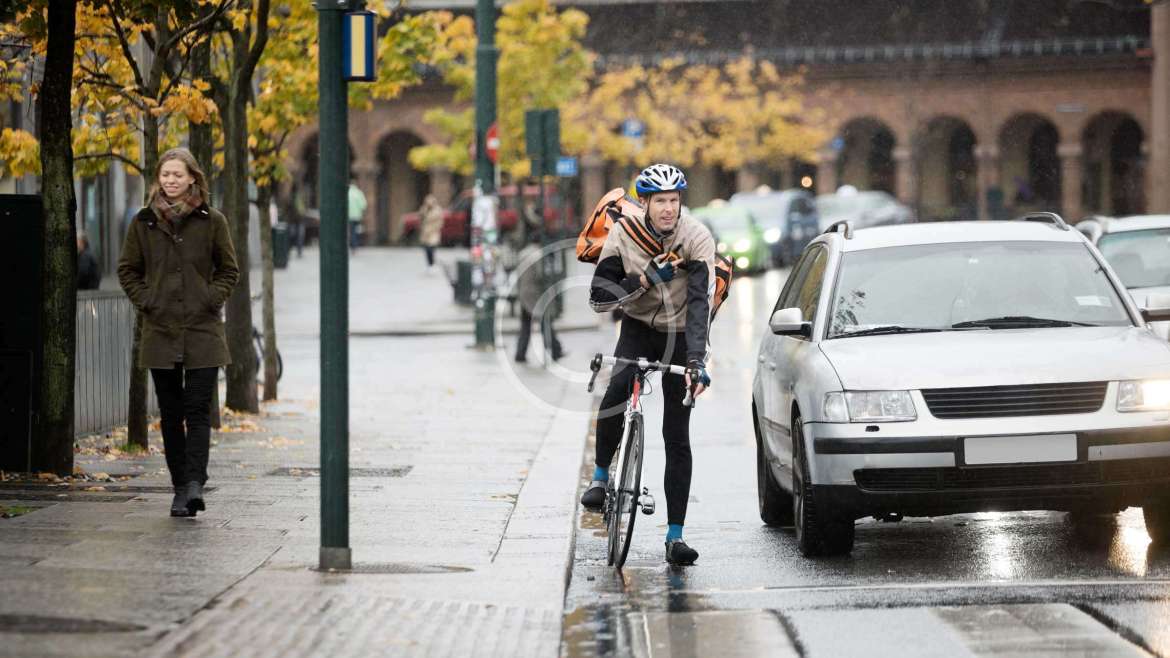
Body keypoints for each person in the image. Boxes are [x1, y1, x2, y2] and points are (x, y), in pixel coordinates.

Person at [581, 163, 714, 566]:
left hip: (679, 336)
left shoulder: (696, 238)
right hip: (637, 327)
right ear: (645, 203)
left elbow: (698, 305)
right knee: (618, 390)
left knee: (677, 433)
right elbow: (599, 298)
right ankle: (601, 478)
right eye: (661, 201)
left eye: (674, 201)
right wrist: (643, 282)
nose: (669, 209)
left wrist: (695, 361)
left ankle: (676, 537)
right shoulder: (624, 233)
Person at [117, 147, 239, 518]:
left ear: (192, 178)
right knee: (170, 413)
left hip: (202, 330)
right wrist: (148, 301)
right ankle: (178, 488)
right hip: (161, 329)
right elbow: (127, 270)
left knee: (197, 409)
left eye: (177, 174)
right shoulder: (143, 223)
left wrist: (209, 299)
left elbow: (229, 271)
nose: (170, 180)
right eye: (165, 175)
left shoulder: (212, 220)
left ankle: (194, 484)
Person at [514, 207, 564, 364]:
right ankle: (555, 350)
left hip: (523, 293)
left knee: (526, 325)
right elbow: (541, 275)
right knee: (545, 322)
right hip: (535, 295)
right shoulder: (538, 254)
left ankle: (520, 353)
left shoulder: (523, 253)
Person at [419, 193, 443, 270]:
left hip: (433, 232)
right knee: (426, 248)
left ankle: (432, 263)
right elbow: (421, 217)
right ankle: (429, 264)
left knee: (431, 248)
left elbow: (440, 222)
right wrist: (425, 209)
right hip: (425, 232)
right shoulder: (424, 209)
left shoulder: (438, 210)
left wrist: (435, 228)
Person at [347, 178, 367, 254]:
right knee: (356, 230)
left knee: (351, 231)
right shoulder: (359, 193)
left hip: (349, 216)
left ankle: (353, 245)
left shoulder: (348, 193)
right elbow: (363, 205)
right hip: (357, 216)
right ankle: (355, 245)